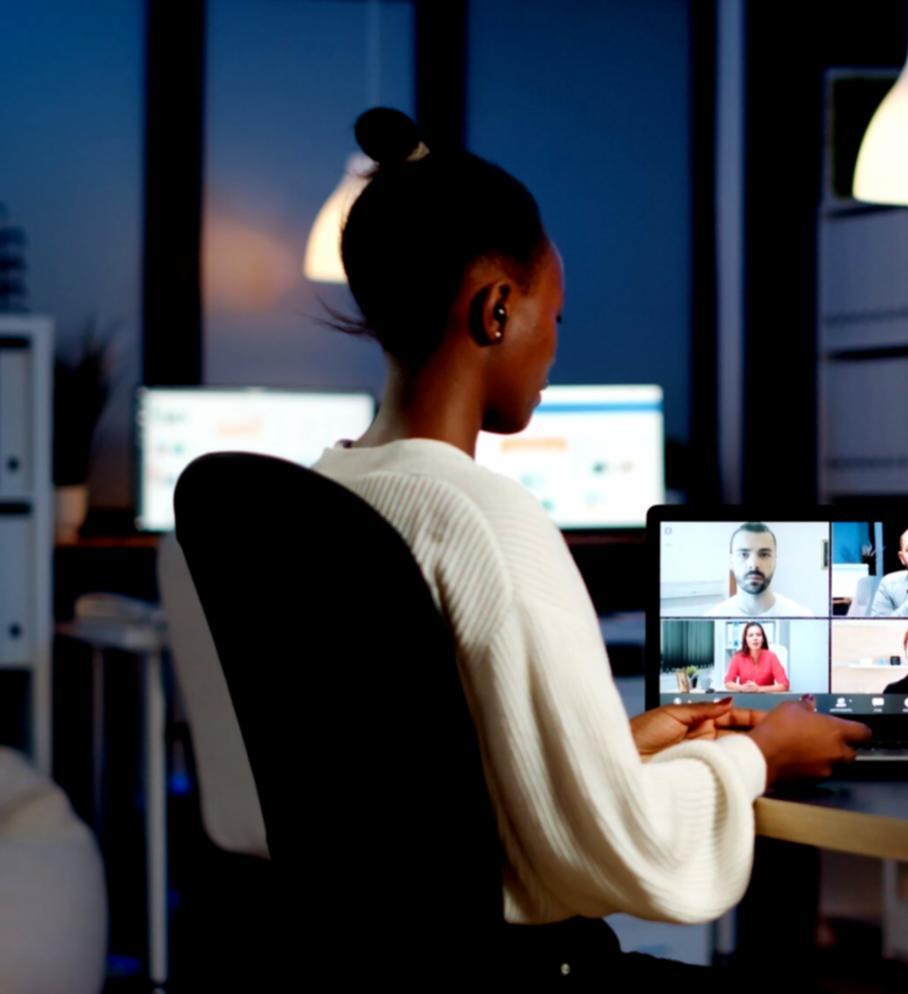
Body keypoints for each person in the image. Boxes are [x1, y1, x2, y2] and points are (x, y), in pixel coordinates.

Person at [308, 108, 869, 980]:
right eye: (555, 318)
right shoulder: (485, 520)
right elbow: (623, 848)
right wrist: (760, 753)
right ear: (497, 310)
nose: (554, 351)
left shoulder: (330, 489)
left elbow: (426, 778)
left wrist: (616, 744)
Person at [704, 522, 815, 617]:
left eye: (764, 554)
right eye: (743, 554)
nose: (754, 564)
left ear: (775, 561)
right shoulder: (712, 616)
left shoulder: (802, 615)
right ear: (731, 562)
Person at [723, 622, 790, 693]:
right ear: (745, 639)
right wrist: (742, 688)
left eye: (758, 635)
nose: (755, 638)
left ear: (763, 639)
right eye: (751, 635)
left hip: (767, 700)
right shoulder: (738, 657)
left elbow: (784, 685)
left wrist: (758, 689)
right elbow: (728, 682)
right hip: (744, 700)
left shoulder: (771, 657)